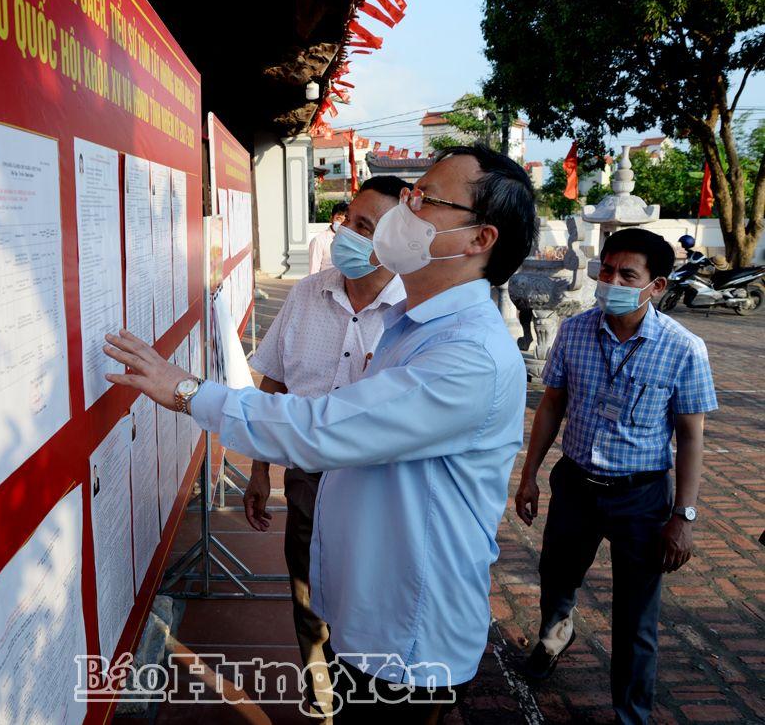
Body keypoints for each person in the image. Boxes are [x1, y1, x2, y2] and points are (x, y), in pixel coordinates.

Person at [104, 144, 537, 722]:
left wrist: (188, 392)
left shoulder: (469, 356)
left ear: (478, 239)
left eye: (425, 199)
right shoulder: (417, 325)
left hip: (406, 630)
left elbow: (322, 428)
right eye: (409, 195)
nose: (405, 211)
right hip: (370, 604)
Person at [514, 228, 717, 725]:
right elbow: (552, 405)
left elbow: (691, 437)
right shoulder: (575, 330)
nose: (612, 282)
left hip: (642, 498)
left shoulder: (684, 348)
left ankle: (631, 714)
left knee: (636, 616)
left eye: (628, 274)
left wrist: (683, 516)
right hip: (576, 485)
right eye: (607, 271)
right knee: (557, 577)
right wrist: (530, 474)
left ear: (658, 286)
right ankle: (555, 635)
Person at [243, 176, 409, 719]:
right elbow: (271, 387)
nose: (346, 233)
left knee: (369, 600)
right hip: (308, 481)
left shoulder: (412, 314)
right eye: (348, 220)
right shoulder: (305, 295)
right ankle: (322, 701)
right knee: (308, 599)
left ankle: (367, 693)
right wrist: (258, 471)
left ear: (397, 239)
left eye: (365, 227)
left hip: (378, 489)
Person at [308, 201, 349, 274]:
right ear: (331, 219)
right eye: (339, 219)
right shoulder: (319, 240)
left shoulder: (351, 240)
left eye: (345, 220)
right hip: (326, 283)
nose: (342, 223)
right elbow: (313, 271)